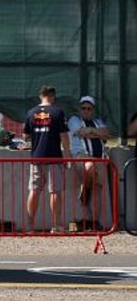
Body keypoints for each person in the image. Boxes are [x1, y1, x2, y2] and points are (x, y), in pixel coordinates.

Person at [24, 85, 71, 232]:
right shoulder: (58, 112)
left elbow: (26, 136)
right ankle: (56, 226)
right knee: (55, 191)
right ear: (53, 96)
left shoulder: (31, 112)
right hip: (54, 157)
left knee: (34, 190)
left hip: (36, 157)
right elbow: (64, 136)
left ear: (40, 96)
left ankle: (30, 226)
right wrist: (67, 154)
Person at [67, 95, 107, 229]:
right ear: (79, 109)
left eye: (89, 108)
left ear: (93, 110)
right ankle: (85, 185)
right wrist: (95, 133)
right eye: (83, 108)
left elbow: (106, 134)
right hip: (82, 156)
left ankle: (94, 221)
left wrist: (91, 131)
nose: (86, 111)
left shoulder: (98, 121)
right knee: (89, 166)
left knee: (97, 189)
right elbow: (82, 132)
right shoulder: (74, 120)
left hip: (99, 157)